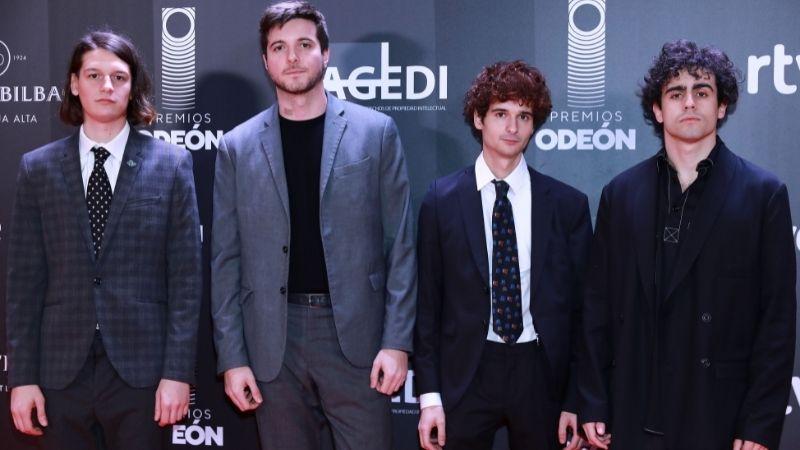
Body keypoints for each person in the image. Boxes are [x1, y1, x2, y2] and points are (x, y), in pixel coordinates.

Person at [210, 2, 416, 449]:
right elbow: (225, 258)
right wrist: (232, 358)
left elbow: (400, 244)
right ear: (265, 60)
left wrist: (397, 342)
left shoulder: (376, 132)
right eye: (279, 47)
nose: (292, 57)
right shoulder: (236, 147)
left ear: (325, 53)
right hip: (271, 340)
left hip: (357, 336)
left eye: (305, 44)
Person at [579, 39, 796, 450]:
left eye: (702, 91)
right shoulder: (621, 194)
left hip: (719, 413)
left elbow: (777, 323)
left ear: (722, 106)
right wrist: (593, 401)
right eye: (676, 93)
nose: (689, 102)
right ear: (659, 109)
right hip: (634, 410)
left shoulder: (762, 194)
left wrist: (759, 424)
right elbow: (597, 307)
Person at [6, 30, 202, 450]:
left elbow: (186, 280)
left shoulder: (171, 165)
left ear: (134, 88)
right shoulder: (37, 169)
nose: (106, 86)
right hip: (60, 372)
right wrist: (21, 379)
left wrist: (178, 372)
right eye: (93, 75)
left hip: (143, 374)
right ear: (75, 85)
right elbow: (23, 285)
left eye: (118, 76)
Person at [414, 60, 591, 450]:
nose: (512, 127)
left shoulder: (567, 205)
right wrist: (429, 398)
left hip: (541, 373)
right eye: (500, 114)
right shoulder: (441, 201)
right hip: (466, 374)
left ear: (534, 124)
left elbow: (583, 311)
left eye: (523, 116)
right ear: (479, 118)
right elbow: (427, 307)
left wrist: (576, 399)